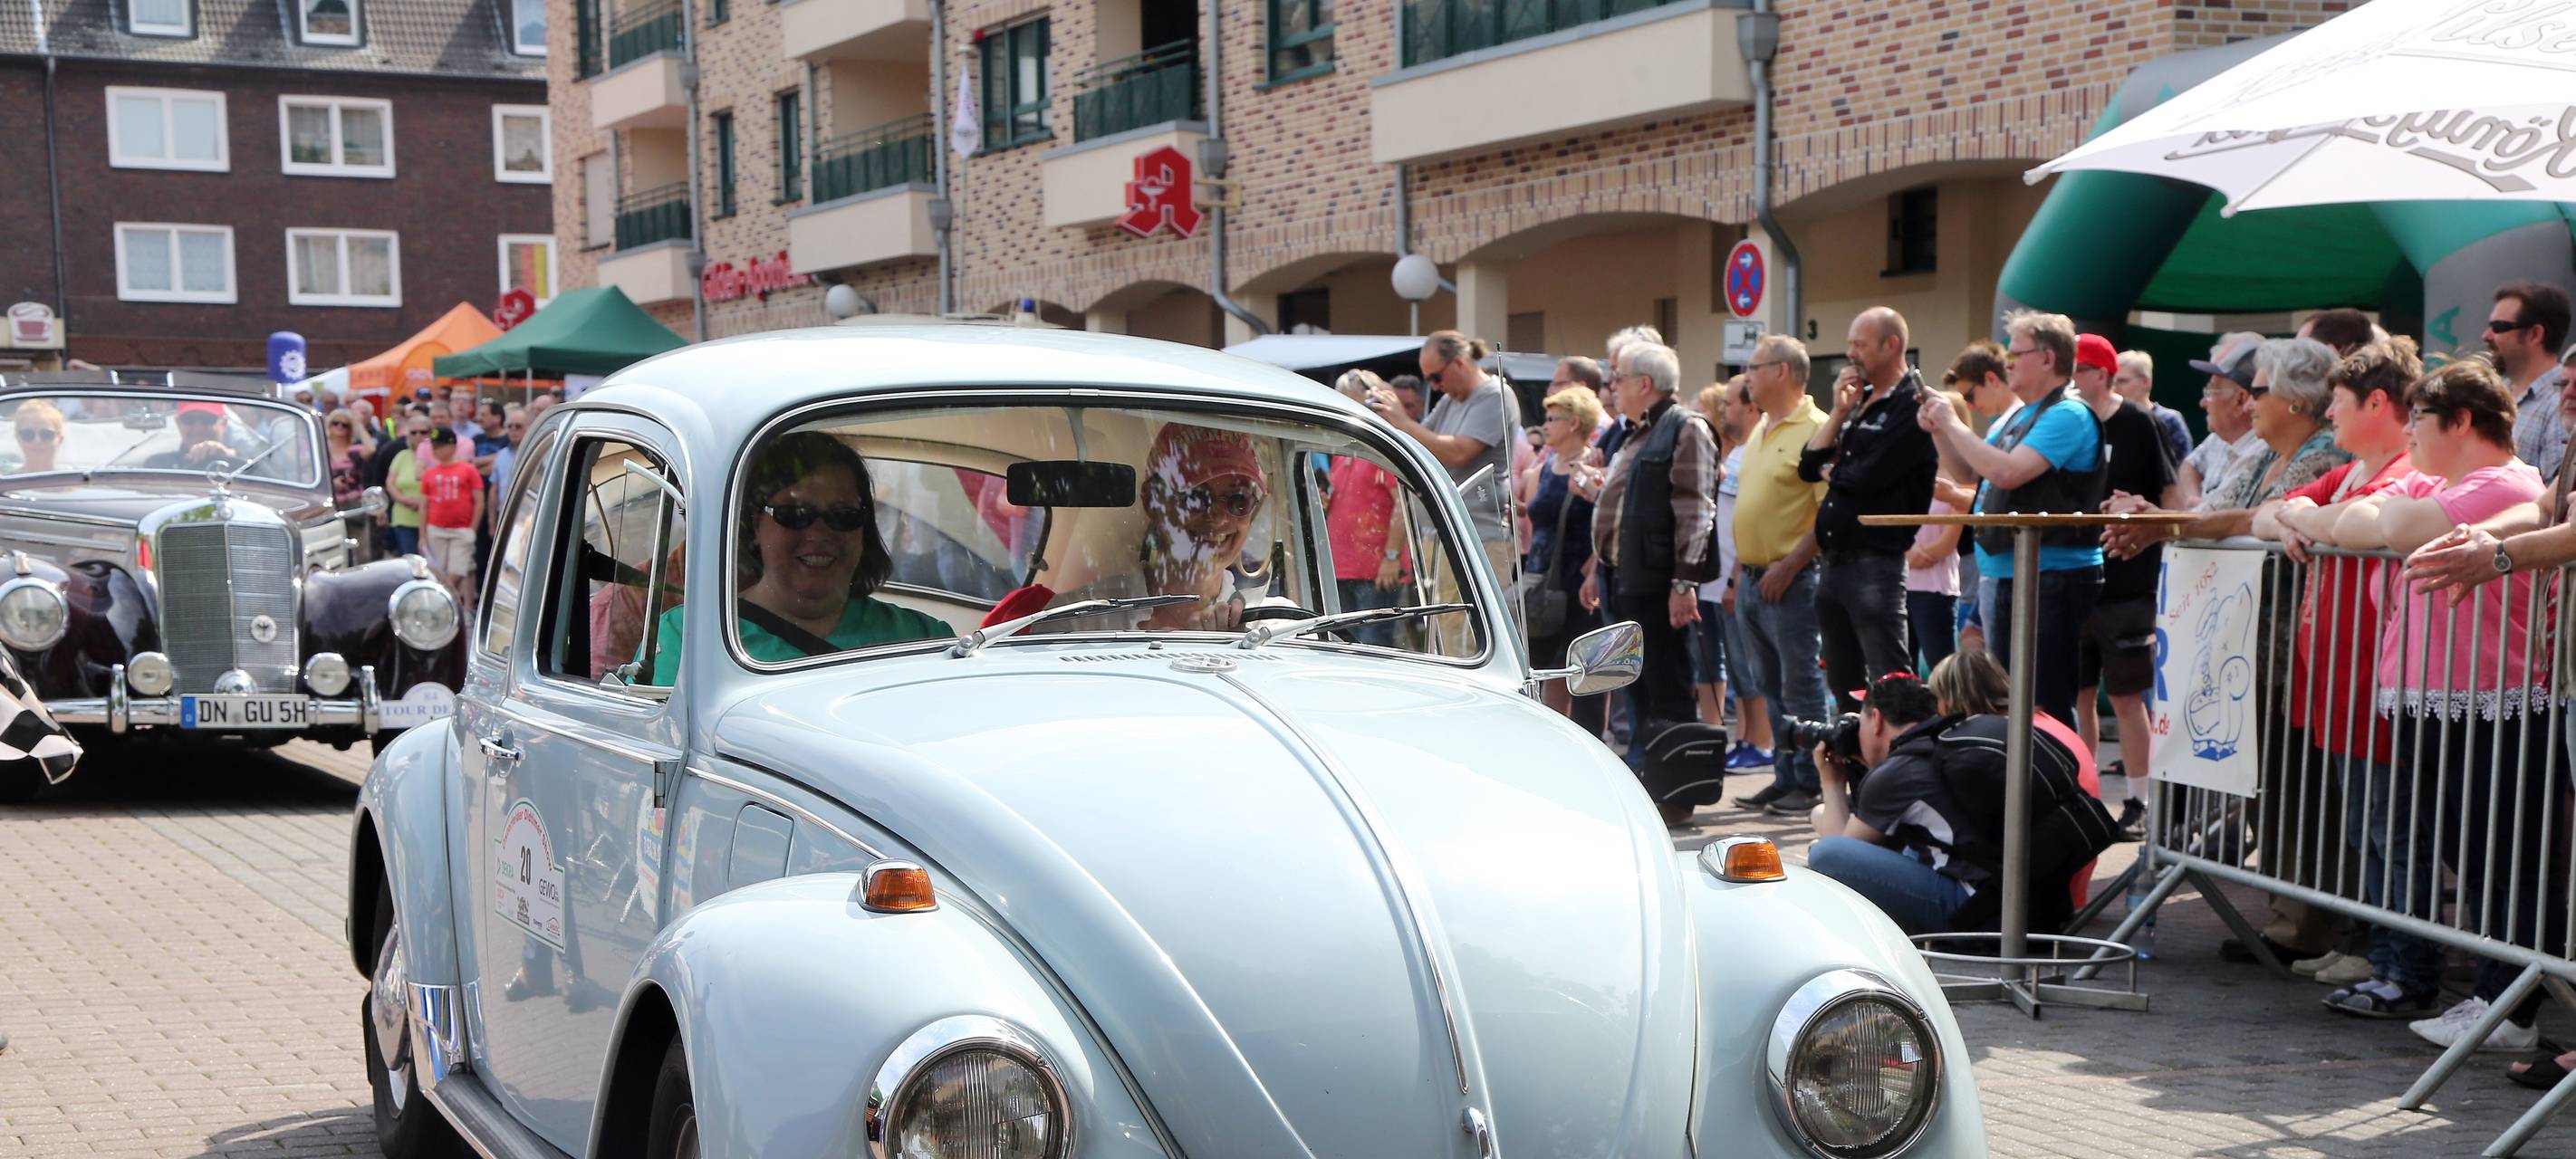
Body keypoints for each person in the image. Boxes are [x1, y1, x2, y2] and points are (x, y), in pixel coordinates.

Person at [2331, 356, 2561, 1054]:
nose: (2408, 436)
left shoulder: (2505, 482)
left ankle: (2508, 1003)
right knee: (2473, 851)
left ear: (2460, 421)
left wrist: (2375, 513)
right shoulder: (2443, 482)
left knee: (2505, 857)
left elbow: (2391, 524)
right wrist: (2340, 514)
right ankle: (2495, 995)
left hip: (2496, 698)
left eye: (2420, 420)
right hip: (2438, 696)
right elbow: (2350, 523)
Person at [2252, 338, 2435, 1017]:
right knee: (2366, 828)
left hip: (2375, 690)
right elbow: (2268, 511)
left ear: (2378, 404)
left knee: (2392, 833)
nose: (2329, 414)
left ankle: (2405, 968)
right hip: (2336, 688)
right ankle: (2384, 958)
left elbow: (2359, 525)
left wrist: (2305, 518)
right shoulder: (2352, 471)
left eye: (2340, 401)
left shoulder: (2402, 474)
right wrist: (2298, 517)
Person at [1918, 309, 2104, 727]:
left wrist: (1951, 422)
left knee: (2044, 703)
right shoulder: (2022, 414)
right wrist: (1940, 432)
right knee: (2014, 701)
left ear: (2047, 358)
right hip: (2010, 572)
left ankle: (2054, 787)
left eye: (2015, 354)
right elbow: (1970, 473)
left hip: (2049, 574)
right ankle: (2022, 787)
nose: (2006, 364)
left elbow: (2007, 472)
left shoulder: (2068, 414)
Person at [654, 432, 949, 683]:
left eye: (843, 515)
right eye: (794, 515)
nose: (819, 533)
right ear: (756, 524)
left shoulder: (926, 638)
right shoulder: (686, 638)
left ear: (864, 527)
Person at [1580, 342, 1716, 786]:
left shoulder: (1685, 428)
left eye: (1617, 378)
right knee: (1636, 688)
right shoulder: (1635, 431)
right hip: (1626, 578)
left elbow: (1696, 510)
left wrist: (1683, 583)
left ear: (1645, 383)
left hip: (1658, 585)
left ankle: (1676, 792)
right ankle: (1650, 782)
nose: (1611, 387)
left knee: (1667, 689)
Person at [985, 423, 1273, 634]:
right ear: (1153, 501)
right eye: (1195, 496)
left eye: (1238, 500)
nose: (1218, 518)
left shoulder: (1269, 624)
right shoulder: (1078, 619)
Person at [1801, 306, 1937, 715]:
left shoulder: (1911, 404)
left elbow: (1867, 476)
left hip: (1875, 566)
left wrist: (1834, 469)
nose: (1850, 353)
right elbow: (1808, 467)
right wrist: (1840, 412)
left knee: (1890, 684)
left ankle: (1902, 771)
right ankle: (1854, 774)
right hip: (1835, 564)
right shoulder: (1859, 404)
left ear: (1891, 345)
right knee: (1844, 686)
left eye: (1859, 344)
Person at [2071, 332, 2179, 837]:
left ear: (2099, 373)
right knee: (2079, 694)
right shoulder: (2067, 423)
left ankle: (2139, 799)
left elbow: (2172, 494)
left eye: (2076, 369)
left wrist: (2140, 510)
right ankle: (2078, 791)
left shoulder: (2139, 422)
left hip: (2128, 580)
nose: (2070, 380)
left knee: (2128, 695)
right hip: (2073, 576)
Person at [1731, 333, 1832, 814]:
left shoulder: (1817, 428)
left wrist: (1790, 566)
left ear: (1782, 372)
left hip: (1790, 581)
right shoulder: (1763, 427)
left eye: (1754, 367)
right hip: (1754, 580)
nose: (1746, 376)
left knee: (1800, 685)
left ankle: (1811, 781)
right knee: (1769, 685)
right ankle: (1784, 774)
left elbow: (1824, 515)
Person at [1370, 331, 1518, 642]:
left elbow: (1458, 451)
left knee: (1463, 638)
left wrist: (1402, 420)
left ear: (1459, 364)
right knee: (1442, 637)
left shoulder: (1494, 395)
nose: (1434, 387)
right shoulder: (1452, 399)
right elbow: (1418, 443)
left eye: (1435, 378)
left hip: (1477, 536)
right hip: (1443, 536)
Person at [1525, 387, 1605, 727]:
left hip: (1579, 582)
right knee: (1547, 667)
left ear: (1574, 423)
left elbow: (1605, 520)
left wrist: (1596, 565)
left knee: (1584, 669)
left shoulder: (1593, 466)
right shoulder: (1545, 467)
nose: (1545, 425)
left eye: (1552, 418)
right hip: (1542, 578)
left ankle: (1589, 737)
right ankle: (1555, 733)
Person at [1711, 377, 1773, 768]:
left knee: (1753, 666)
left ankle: (1762, 743)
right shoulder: (1737, 453)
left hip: (1741, 574)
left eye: (1730, 404)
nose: (1723, 412)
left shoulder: (1755, 449)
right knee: (1737, 664)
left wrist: (1734, 578)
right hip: (1723, 579)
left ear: (1751, 407)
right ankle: (1746, 738)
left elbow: (1747, 523)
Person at [1328, 371, 1416, 648]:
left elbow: (1403, 502)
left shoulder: (1380, 449)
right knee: (1344, 645)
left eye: (1348, 401)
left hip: (1375, 568)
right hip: (1344, 566)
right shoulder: (1345, 450)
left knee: (1373, 647)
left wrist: (1391, 557)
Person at [1905, 388, 1968, 676]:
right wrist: (1906, 553)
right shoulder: (1915, 468)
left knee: (1941, 669)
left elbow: (1949, 541)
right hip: (1903, 583)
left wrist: (1921, 555)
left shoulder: (1962, 474)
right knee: (1903, 669)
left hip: (1936, 587)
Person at [2489, 280, 2571, 481]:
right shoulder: (2492, 394)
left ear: (2535, 334)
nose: (2487, 335)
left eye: (2498, 327)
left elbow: (2555, 500)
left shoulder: (2562, 404)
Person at [2177, 333, 2265, 511]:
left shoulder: (2263, 451)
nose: (2203, 403)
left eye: (2211, 391)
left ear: (2241, 399)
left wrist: (2147, 519)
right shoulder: (2218, 437)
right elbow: (2189, 466)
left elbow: (2215, 519)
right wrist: (2194, 500)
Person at [418, 427, 485, 611]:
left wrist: (473, 528)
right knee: (439, 572)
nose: (435, 450)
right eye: (434, 446)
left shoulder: (468, 470)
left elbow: (479, 501)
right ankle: (448, 606)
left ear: (452, 446)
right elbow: (424, 506)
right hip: (436, 528)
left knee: (458, 571)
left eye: (440, 446)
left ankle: (438, 604)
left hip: (462, 529)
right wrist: (422, 535)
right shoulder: (429, 473)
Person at [2114, 349, 2193, 468]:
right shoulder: (2108, 418)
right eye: (2113, 382)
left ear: (2146, 381)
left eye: (2122, 381)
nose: (2115, 388)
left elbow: (2182, 470)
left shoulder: (2168, 420)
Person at [383, 415, 431, 558]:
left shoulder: (437, 456)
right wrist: (403, 499)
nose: (418, 436)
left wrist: (422, 502)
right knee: (410, 560)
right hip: (404, 516)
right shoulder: (402, 456)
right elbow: (390, 483)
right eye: (413, 432)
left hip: (431, 516)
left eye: (423, 432)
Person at [145, 401, 245, 469]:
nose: (198, 428)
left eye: (207, 419)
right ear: (178, 423)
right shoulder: (159, 464)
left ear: (223, 423)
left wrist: (230, 458)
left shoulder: (245, 464)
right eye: (189, 419)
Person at [325, 407, 371, 510]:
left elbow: (371, 449)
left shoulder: (354, 449)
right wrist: (331, 483)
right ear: (329, 425)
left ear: (350, 429)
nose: (340, 427)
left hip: (354, 503)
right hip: (329, 503)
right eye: (335, 423)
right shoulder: (322, 449)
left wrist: (359, 424)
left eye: (345, 425)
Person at [9, 398, 64, 474]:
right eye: (28, 434)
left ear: (60, 439)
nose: (37, 440)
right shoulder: (6, 482)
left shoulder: (76, 481)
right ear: (18, 438)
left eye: (46, 434)